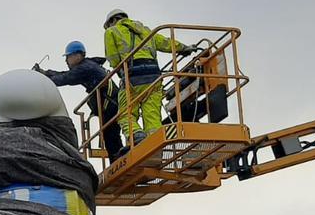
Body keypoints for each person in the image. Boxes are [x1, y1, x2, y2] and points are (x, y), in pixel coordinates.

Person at [102, 9, 198, 144]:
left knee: (125, 114)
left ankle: (136, 136)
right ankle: (155, 142)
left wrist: (120, 72)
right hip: (154, 75)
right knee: (152, 114)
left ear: (112, 21)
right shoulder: (145, 30)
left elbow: (113, 58)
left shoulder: (111, 31)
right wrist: (184, 48)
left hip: (133, 74)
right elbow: (164, 42)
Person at [34, 41, 124, 159]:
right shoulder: (87, 65)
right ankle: (119, 157)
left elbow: (65, 78)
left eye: (68, 56)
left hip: (109, 104)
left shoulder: (85, 68)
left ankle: (118, 159)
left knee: (110, 134)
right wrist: (46, 73)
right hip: (110, 103)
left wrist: (43, 77)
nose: (66, 60)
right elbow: (65, 74)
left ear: (78, 55)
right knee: (110, 133)